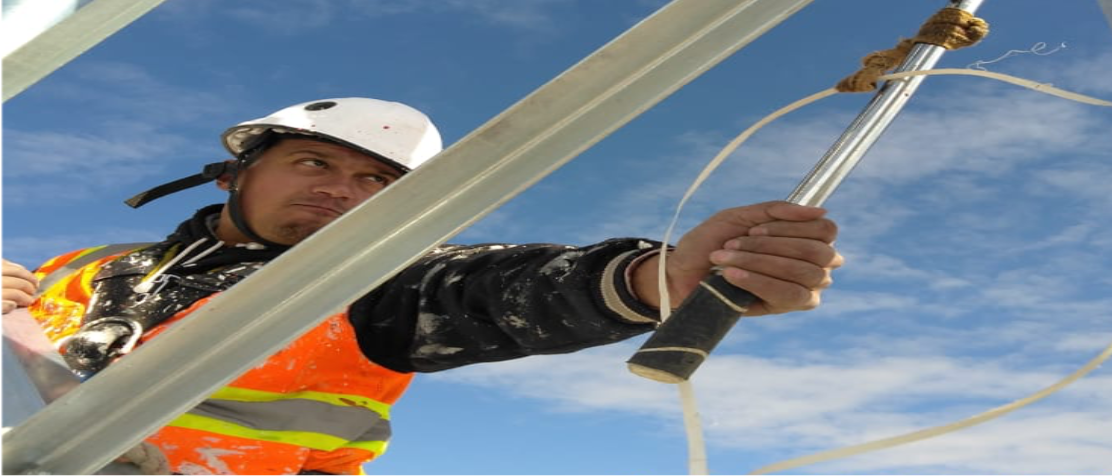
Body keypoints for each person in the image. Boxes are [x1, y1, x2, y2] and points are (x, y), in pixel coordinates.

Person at [1, 98, 842, 476]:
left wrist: (654, 278)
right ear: (236, 174)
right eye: (315, 163)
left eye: (376, 183)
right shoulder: (81, 265)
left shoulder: (371, 285)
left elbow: (493, 290)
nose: (342, 192)